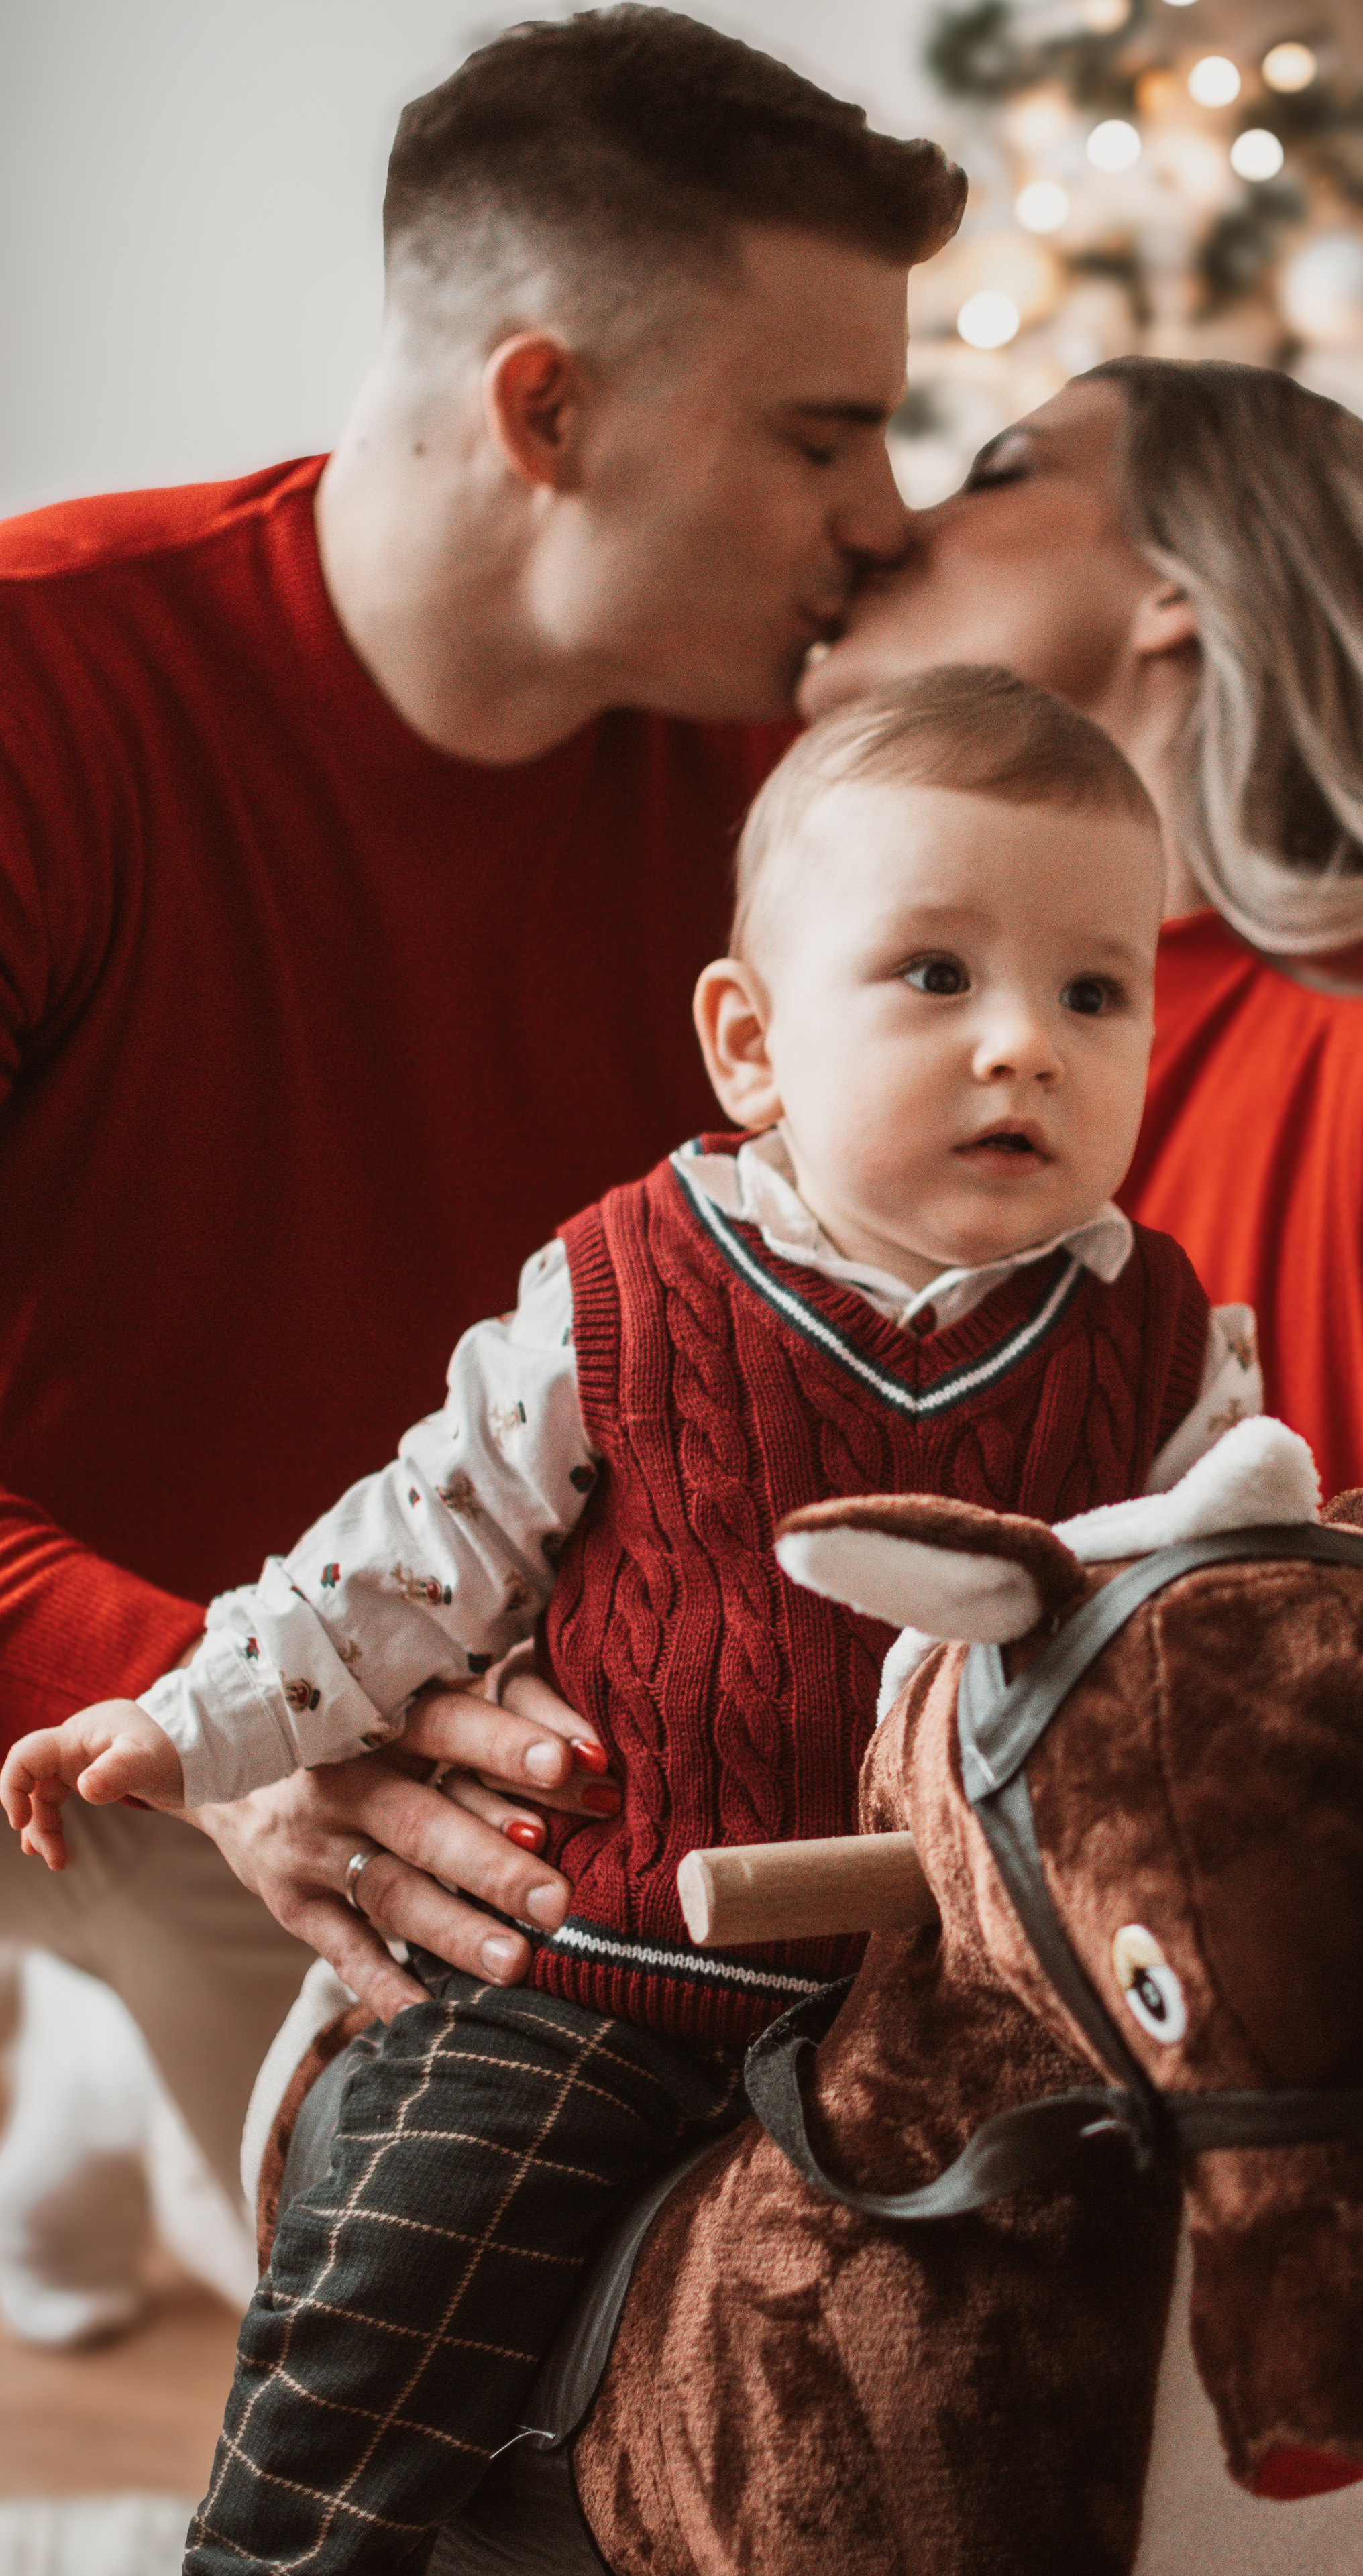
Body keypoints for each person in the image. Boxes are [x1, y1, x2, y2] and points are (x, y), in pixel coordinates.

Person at [8, 667, 1256, 2571]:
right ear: (751, 1042)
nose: (1026, 1045)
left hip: (958, 1987)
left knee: (1116, 2302)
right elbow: (407, 1554)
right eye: (937, 975)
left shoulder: (1164, 1342)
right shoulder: (623, 1289)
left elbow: (1225, 1617)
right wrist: (193, 1717)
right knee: (403, 2261)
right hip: (599, 1965)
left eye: (1094, 993)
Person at [0, 2, 964, 2325]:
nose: (889, 522)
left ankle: (96, 2097)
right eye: (824, 435)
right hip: (113, 1670)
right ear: (547, 409)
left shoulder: (784, 787)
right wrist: (226, 1734)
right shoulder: (46, 694)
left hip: (496, 1670)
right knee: (433, 2336)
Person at [805, 360, 1363, 2576]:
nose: (892, 509)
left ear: (1182, 607)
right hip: (1097, 2141)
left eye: (1003, 468)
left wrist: (1157, 1874)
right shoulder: (910, 1079)